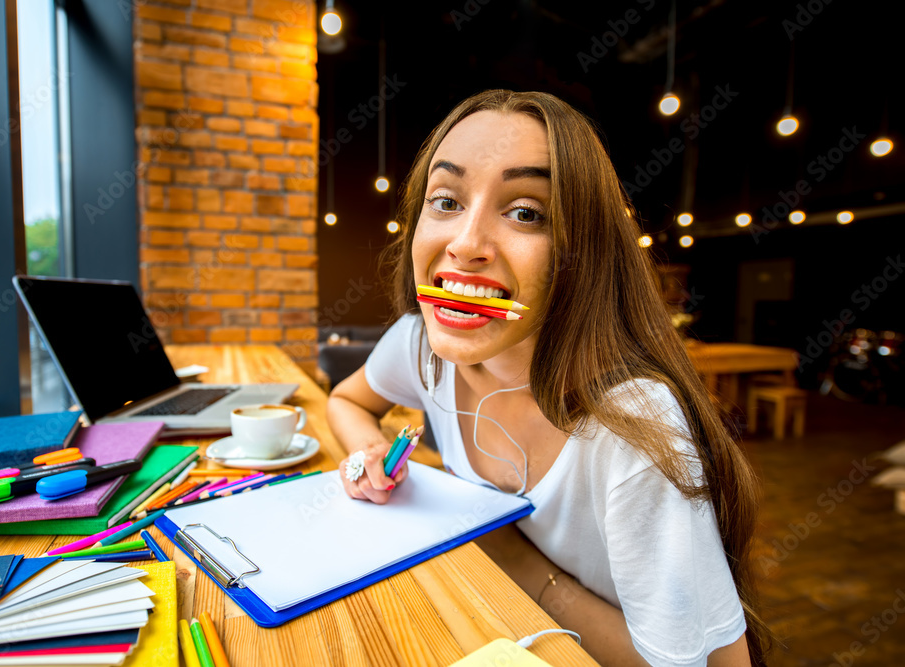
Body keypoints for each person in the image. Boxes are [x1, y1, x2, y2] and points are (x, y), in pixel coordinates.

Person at [326, 89, 769, 666]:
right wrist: (373, 461)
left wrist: (514, 557)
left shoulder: (633, 427)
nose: (464, 244)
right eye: (445, 200)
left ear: (580, 252)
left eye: (525, 212)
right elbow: (346, 401)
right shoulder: (421, 348)